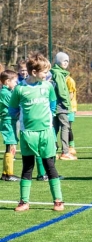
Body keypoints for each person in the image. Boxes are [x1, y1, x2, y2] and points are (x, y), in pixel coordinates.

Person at [11, 54, 64, 212]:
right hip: (28, 134)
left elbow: (53, 102)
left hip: (46, 133)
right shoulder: (20, 89)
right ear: (34, 72)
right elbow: (12, 108)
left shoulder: (47, 86)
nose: (47, 74)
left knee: (50, 166)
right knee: (27, 167)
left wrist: (51, 114)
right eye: (44, 72)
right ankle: (24, 202)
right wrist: (16, 115)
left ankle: (58, 201)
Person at [51, 52, 75, 160]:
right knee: (65, 127)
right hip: (61, 105)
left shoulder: (55, 72)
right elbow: (62, 91)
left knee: (54, 128)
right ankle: (65, 152)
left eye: (67, 61)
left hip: (55, 105)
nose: (66, 63)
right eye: (64, 60)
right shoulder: (59, 74)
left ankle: (51, 150)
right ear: (58, 60)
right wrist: (67, 104)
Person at [0, 70, 18, 181]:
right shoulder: (5, 93)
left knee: (10, 146)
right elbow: (13, 105)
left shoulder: (8, 92)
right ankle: (8, 174)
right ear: (7, 81)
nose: (16, 83)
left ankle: (5, 173)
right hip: (8, 121)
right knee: (10, 146)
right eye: (14, 81)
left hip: (11, 120)